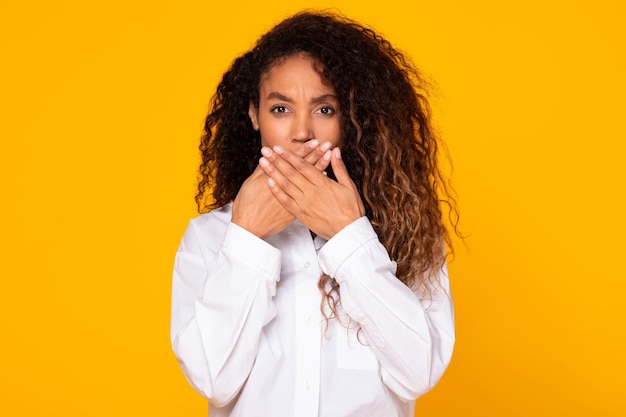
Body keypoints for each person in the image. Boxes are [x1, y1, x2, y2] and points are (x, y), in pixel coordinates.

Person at [171, 10, 458, 417]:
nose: (302, 132)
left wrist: (350, 238)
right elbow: (213, 382)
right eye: (281, 109)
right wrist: (247, 238)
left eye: (324, 110)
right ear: (254, 114)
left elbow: (419, 372)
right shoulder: (209, 236)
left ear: (351, 119)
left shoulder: (406, 228)